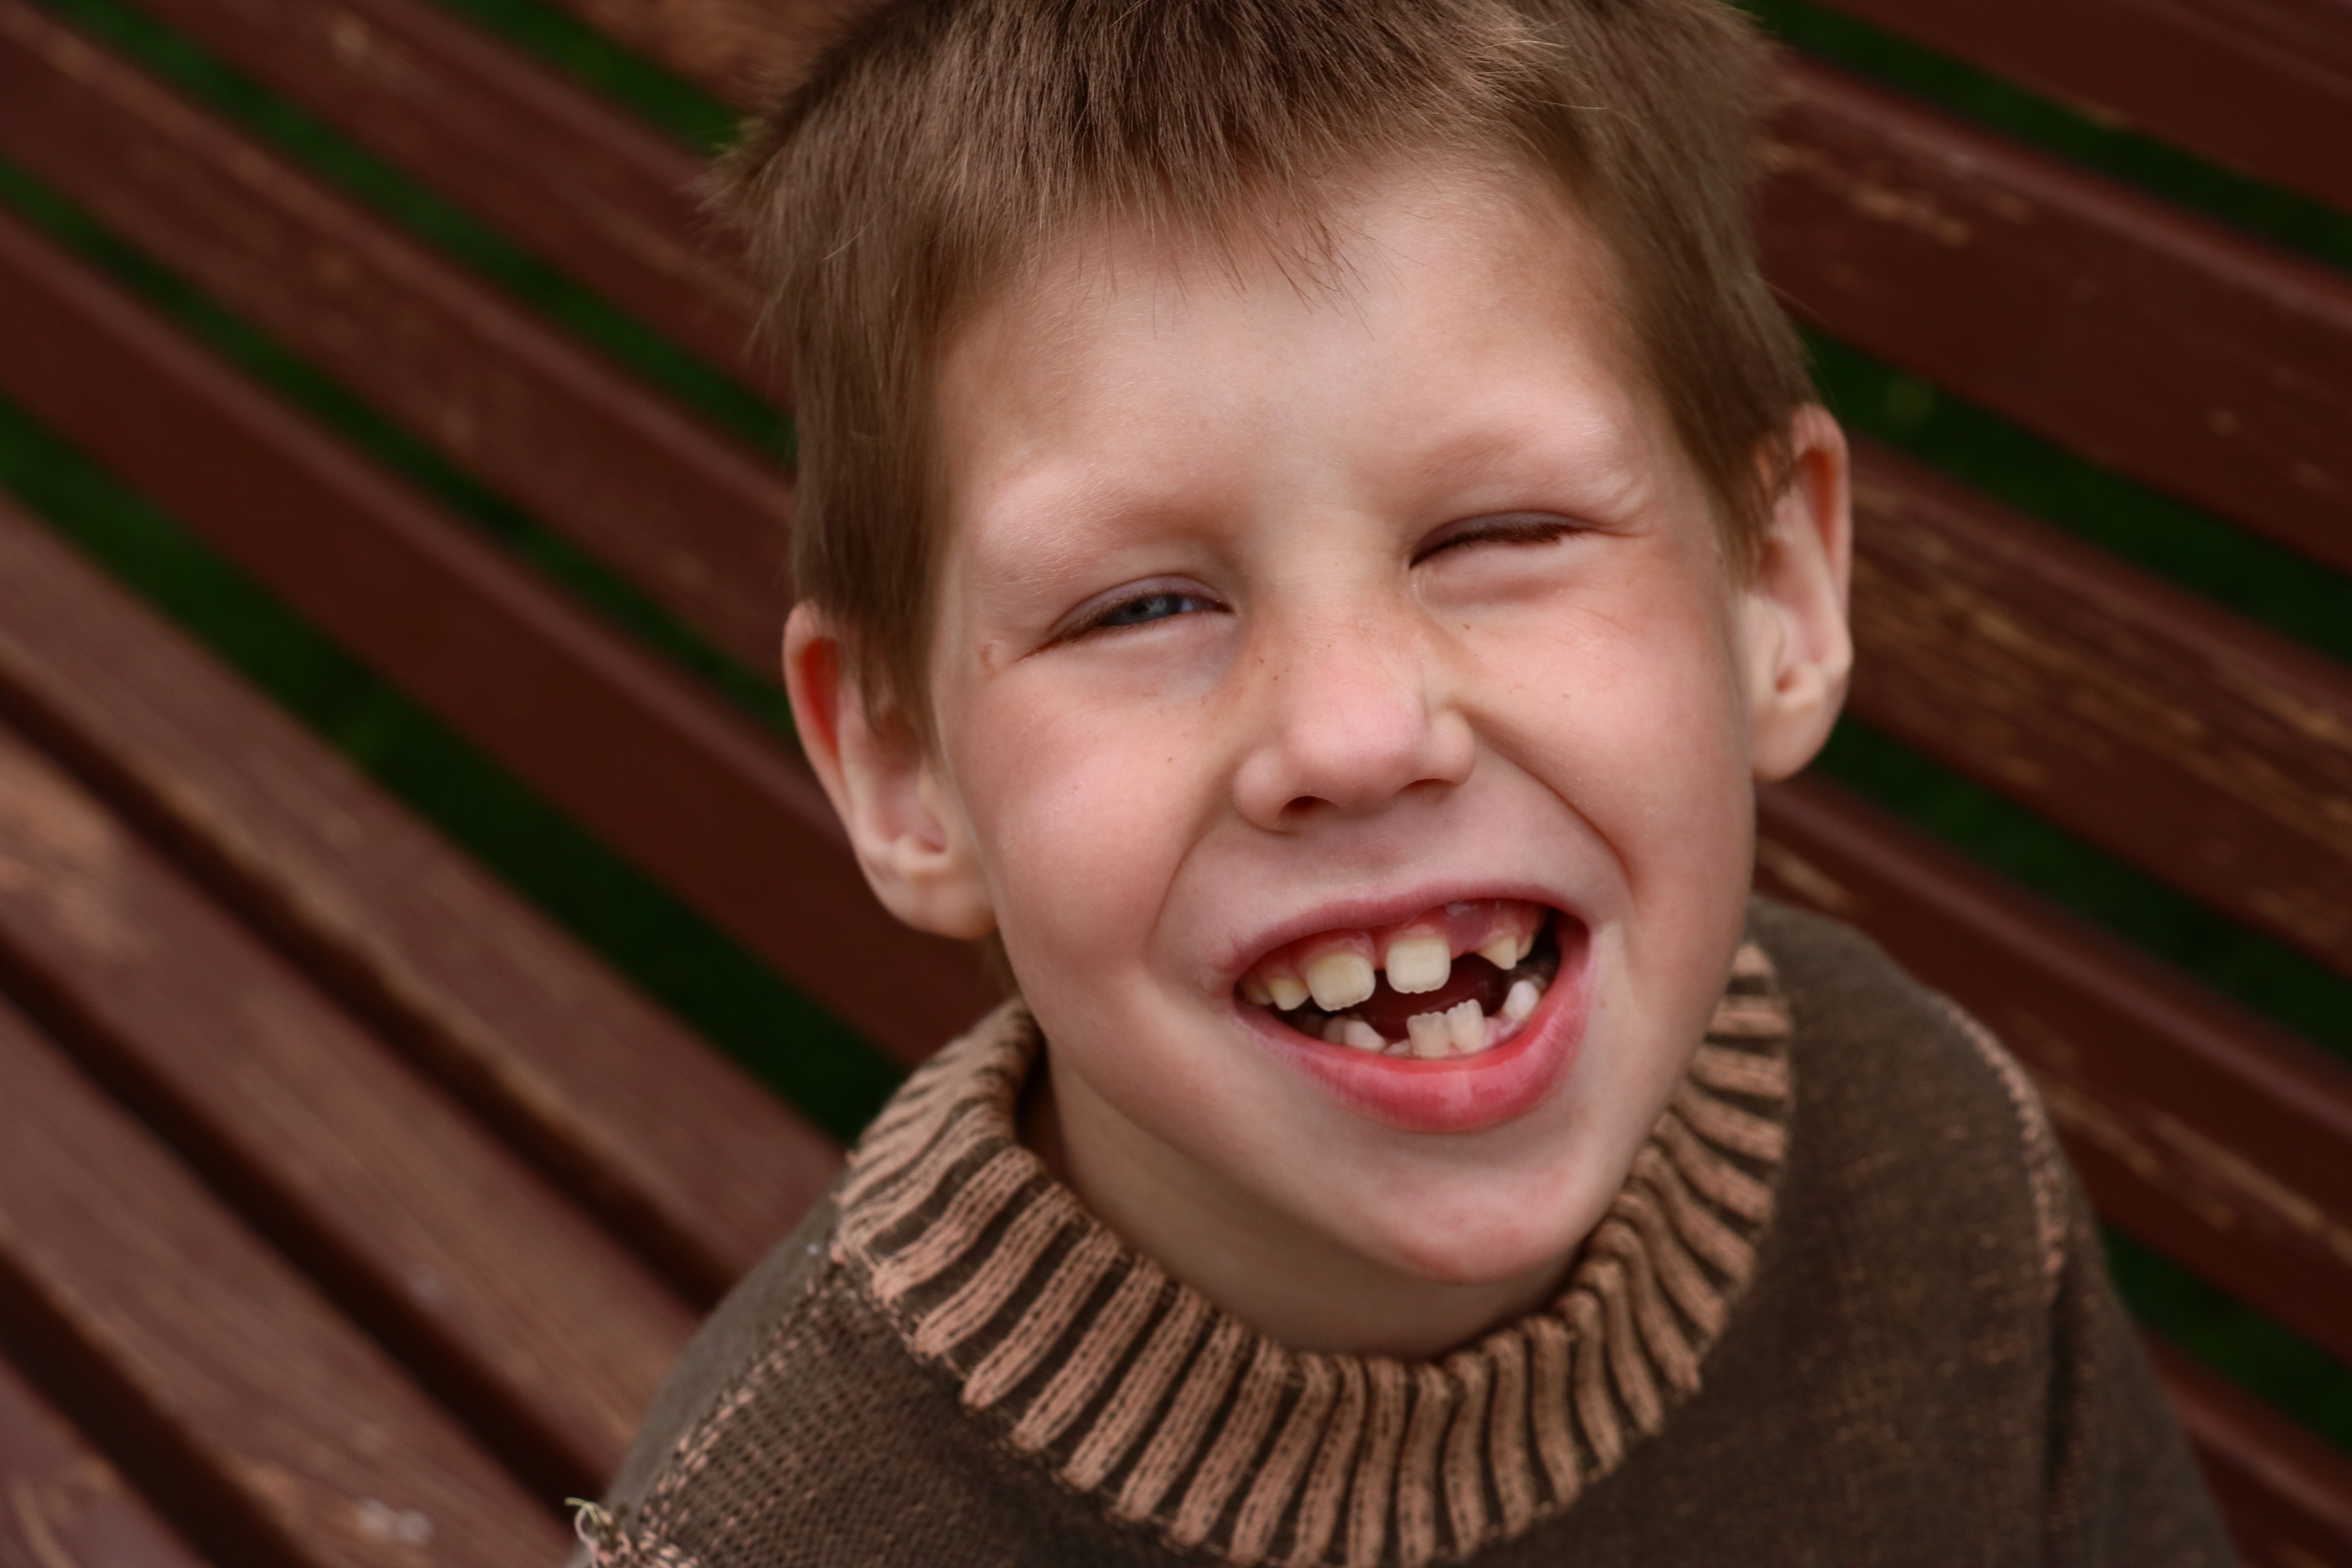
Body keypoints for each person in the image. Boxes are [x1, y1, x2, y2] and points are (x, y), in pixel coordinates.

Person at [573, 1, 2232, 1562]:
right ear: (901, 765)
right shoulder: (772, 1535)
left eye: (1498, 531)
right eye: (1141, 608)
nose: (1358, 734)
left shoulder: (1923, 1156)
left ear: (1774, 592)